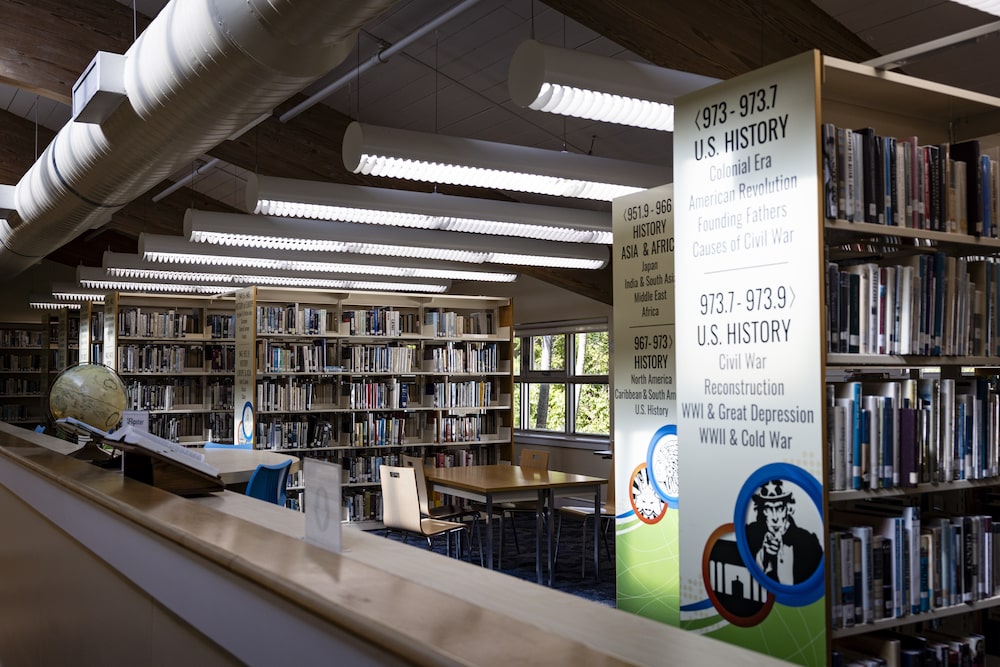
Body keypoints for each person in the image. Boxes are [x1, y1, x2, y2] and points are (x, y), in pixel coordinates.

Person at [744, 479, 822, 585]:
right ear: (762, 511)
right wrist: (763, 555)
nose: (774, 517)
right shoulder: (750, 533)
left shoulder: (808, 541)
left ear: (788, 509)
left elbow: (818, 583)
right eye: (768, 508)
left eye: (779, 508)